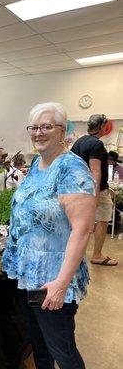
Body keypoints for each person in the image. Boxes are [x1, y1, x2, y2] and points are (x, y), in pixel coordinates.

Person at [2, 102, 96, 369]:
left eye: (46, 126)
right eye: (34, 127)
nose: (38, 133)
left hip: (52, 279)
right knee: (39, 346)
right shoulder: (37, 163)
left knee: (63, 352)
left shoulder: (72, 168)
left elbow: (82, 229)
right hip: (28, 275)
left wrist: (60, 284)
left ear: (62, 131)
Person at [71, 114, 118, 266]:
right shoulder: (97, 144)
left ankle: (77, 254)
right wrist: (95, 196)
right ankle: (97, 255)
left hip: (79, 189)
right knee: (103, 220)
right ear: (101, 127)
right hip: (95, 190)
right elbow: (95, 171)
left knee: (81, 223)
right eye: (105, 126)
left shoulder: (79, 142)